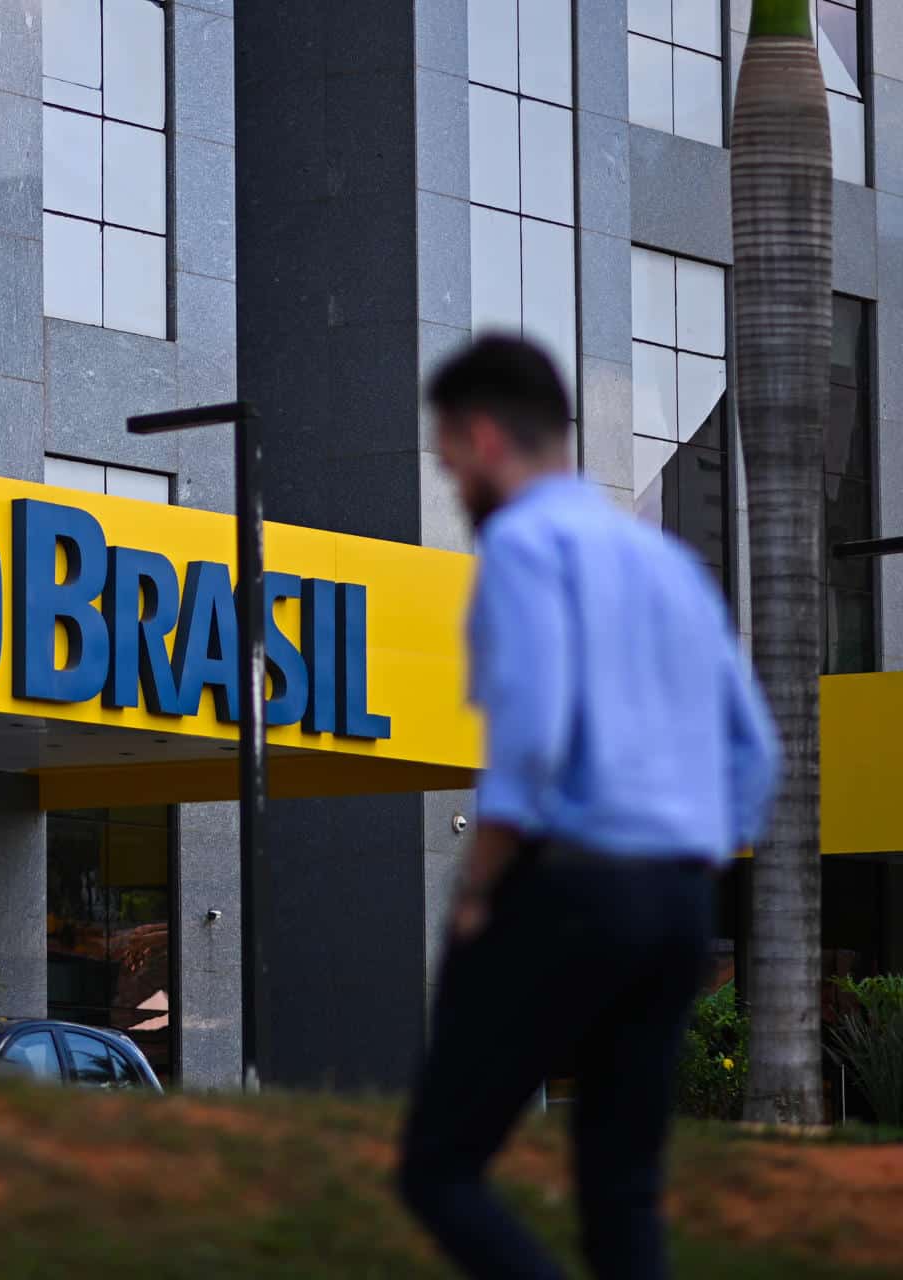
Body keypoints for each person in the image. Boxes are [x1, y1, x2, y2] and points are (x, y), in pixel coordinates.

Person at [397, 336, 781, 1280]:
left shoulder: (524, 546)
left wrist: (481, 890)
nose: (452, 482)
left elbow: (530, 736)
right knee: (624, 1189)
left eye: (448, 458)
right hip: (680, 905)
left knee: (439, 1169)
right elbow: (759, 752)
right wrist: (686, 856)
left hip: (565, 885)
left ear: (483, 436)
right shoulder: (672, 568)